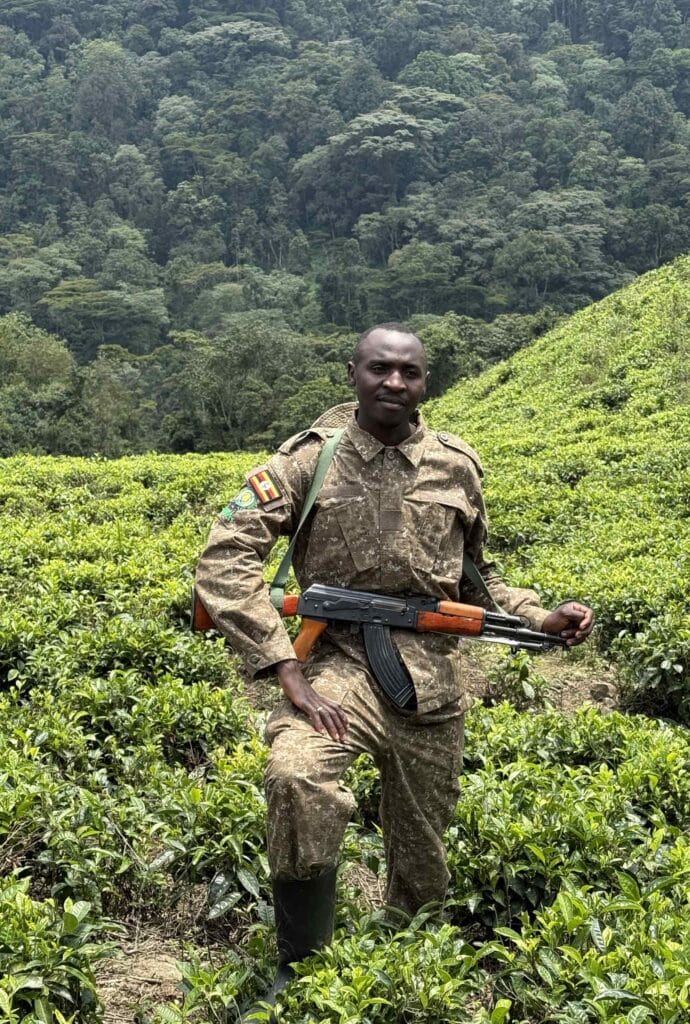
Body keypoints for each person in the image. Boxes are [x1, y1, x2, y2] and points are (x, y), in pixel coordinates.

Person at [194, 323, 594, 1013]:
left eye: (409, 372)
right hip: (339, 664)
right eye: (380, 369)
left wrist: (539, 617)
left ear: (425, 382)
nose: (394, 383)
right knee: (297, 773)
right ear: (352, 373)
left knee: (423, 856)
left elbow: (478, 579)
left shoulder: (456, 465)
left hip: (430, 677)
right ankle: (303, 966)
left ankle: (406, 967)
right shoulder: (306, 461)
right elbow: (223, 560)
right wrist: (282, 664)